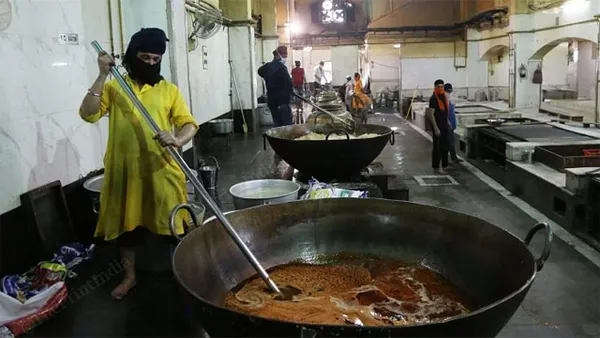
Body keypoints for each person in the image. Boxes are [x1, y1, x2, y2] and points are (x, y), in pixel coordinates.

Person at [78, 28, 199, 299]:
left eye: (156, 59)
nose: (151, 64)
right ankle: (130, 276)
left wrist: (178, 139)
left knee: (173, 226)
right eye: (145, 57)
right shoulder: (114, 87)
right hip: (126, 173)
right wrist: (101, 75)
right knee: (128, 230)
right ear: (133, 55)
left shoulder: (169, 90)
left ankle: (183, 274)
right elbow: (88, 113)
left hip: (161, 169)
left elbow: (189, 124)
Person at [258, 46, 294, 127]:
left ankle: (277, 138)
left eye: (286, 56)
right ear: (277, 55)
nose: (285, 58)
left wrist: (268, 77)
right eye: (284, 56)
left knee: (277, 123)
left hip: (271, 101)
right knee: (286, 125)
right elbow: (289, 84)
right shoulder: (282, 68)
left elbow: (259, 71)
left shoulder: (267, 66)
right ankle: (285, 139)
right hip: (282, 101)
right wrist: (290, 90)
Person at [427, 79, 451, 173]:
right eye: (438, 87)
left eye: (442, 86)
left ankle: (445, 165)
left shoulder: (443, 97)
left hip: (444, 124)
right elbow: (430, 114)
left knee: (445, 145)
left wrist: (448, 121)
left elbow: (445, 111)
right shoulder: (433, 98)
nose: (440, 88)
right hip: (438, 125)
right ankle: (436, 167)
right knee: (438, 147)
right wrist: (435, 128)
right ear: (435, 87)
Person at [444, 83, 462, 163]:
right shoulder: (445, 98)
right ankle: (447, 160)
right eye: (449, 90)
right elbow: (444, 113)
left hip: (451, 123)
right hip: (448, 124)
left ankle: (453, 158)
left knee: (451, 141)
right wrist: (448, 123)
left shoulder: (448, 97)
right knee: (449, 142)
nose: (450, 92)